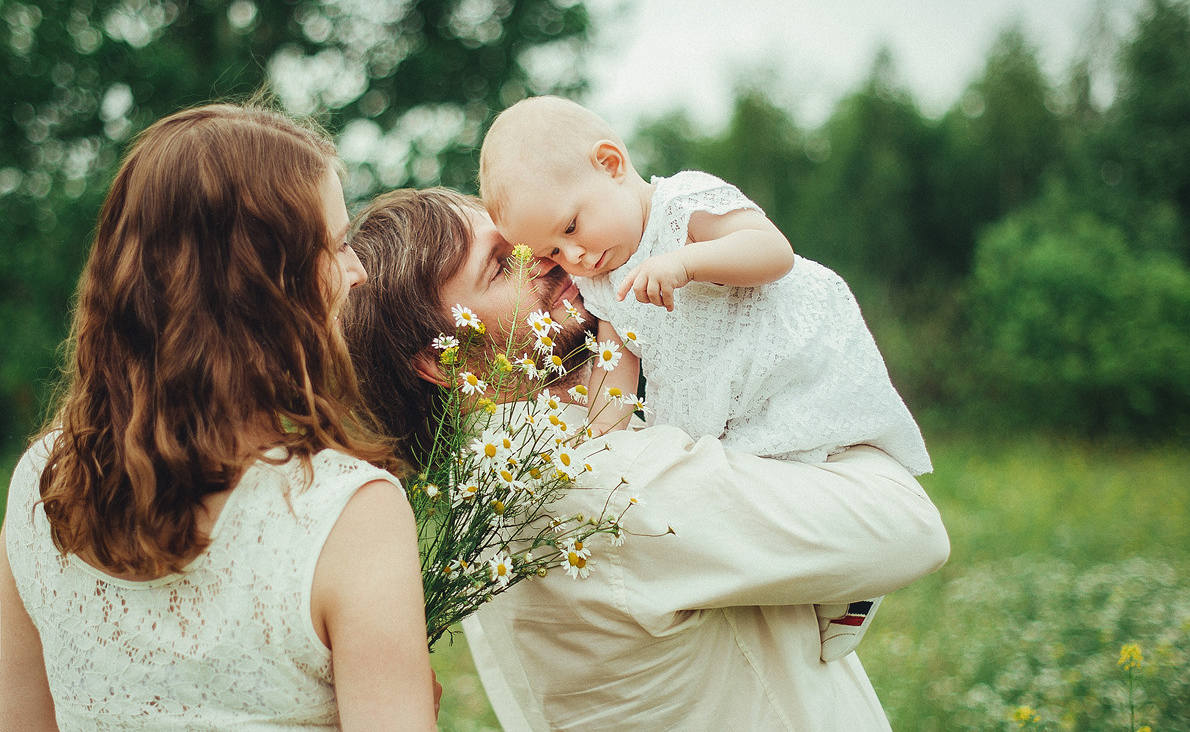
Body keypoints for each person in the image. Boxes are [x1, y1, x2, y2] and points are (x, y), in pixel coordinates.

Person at [341, 187, 951, 731]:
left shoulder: (490, 483)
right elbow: (908, 528)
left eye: (531, 243)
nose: (550, 262)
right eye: (503, 266)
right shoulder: (577, 478)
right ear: (439, 361)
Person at [0, 104, 437, 731]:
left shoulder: (43, 483)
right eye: (337, 245)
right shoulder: (346, 512)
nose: (358, 270)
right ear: (262, 285)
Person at [477, 94, 934, 659]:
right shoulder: (601, 279)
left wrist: (687, 262)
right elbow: (616, 363)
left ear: (611, 164)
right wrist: (596, 441)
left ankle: (856, 586)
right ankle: (825, 586)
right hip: (717, 385)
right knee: (758, 487)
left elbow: (774, 251)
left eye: (571, 226)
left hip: (777, 353)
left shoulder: (680, 203)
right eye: (552, 253)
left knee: (816, 448)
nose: (576, 257)